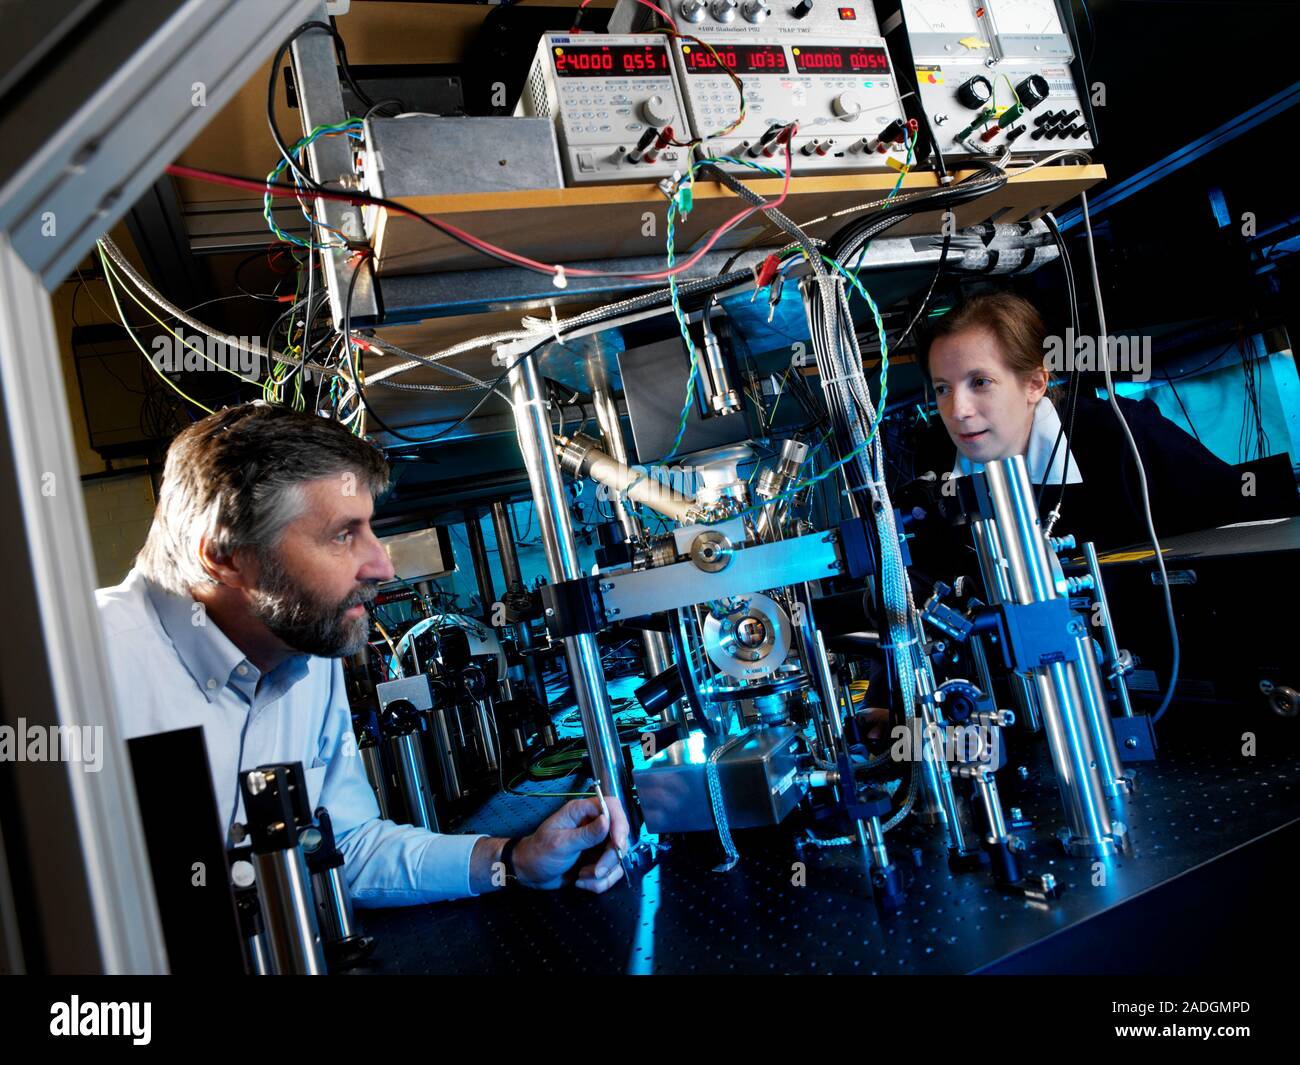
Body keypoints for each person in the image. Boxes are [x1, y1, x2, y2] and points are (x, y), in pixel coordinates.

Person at [96, 401, 628, 905]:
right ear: (225, 556)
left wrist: (512, 859)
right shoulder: (76, 672)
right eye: (342, 536)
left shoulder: (307, 648)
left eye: (369, 527)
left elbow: (348, 849)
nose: (382, 566)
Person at [914, 291, 1262, 553]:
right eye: (943, 388)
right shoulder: (934, 468)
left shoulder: (1122, 437)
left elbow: (1249, 526)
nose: (958, 410)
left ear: (1034, 384)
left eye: (980, 383)